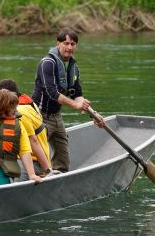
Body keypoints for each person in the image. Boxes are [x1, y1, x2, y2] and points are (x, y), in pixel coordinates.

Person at [31, 29, 105, 172]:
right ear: (58, 43)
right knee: (38, 158)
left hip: (56, 116)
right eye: (66, 43)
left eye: (73, 44)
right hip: (39, 116)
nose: (69, 47)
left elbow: (77, 94)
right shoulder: (47, 63)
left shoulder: (74, 67)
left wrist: (93, 114)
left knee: (63, 160)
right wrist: (76, 105)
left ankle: (59, 180)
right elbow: (52, 92)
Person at [0, 79, 53, 179]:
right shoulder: (29, 103)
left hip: (32, 162)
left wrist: (47, 170)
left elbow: (33, 141)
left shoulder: (19, 112)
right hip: (42, 154)